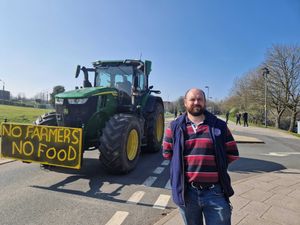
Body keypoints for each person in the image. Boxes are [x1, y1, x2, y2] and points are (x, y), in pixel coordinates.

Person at [163, 88, 239, 225]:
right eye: (192, 99)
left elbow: (232, 153)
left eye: (200, 99)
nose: (196, 102)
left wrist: (216, 166)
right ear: (185, 103)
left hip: (215, 193)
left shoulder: (220, 126)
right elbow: (168, 154)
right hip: (187, 193)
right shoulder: (174, 127)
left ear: (204, 102)